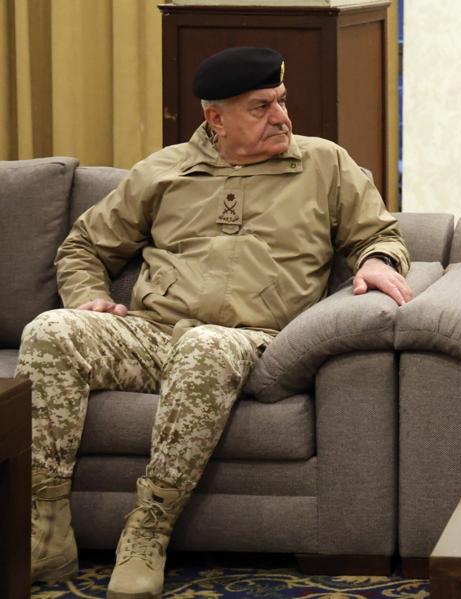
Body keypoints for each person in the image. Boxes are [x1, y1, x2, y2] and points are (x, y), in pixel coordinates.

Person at [22, 47, 412, 598]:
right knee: (49, 331)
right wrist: (89, 298)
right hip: (154, 334)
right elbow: (84, 245)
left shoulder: (324, 164)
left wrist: (377, 260)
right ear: (216, 119)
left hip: (254, 341)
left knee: (205, 345)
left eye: (281, 101)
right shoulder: (162, 171)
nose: (281, 117)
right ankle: (45, 529)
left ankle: (149, 530)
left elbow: (380, 235)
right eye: (261, 107)